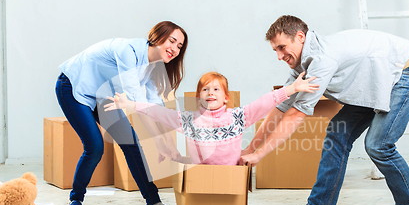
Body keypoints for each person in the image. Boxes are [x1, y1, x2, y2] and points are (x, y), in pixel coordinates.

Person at [240, 15, 409, 205]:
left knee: (378, 145)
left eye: (282, 47)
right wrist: (250, 148)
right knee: (337, 132)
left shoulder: (323, 59)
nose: (279, 56)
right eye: (275, 50)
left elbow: (296, 114)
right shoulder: (301, 65)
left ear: (300, 37)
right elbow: (280, 109)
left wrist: (259, 155)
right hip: (379, 81)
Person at [55, 21, 187, 205]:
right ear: (157, 37)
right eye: (172, 41)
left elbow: (156, 108)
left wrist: (169, 143)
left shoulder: (154, 67)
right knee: (95, 147)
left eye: (180, 46)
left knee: (131, 144)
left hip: (103, 96)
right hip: (74, 88)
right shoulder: (129, 51)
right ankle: (76, 199)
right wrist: (160, 144)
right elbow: (140, 108)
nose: (175, 49)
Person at [104, 71, 319, 165]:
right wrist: (131, 105)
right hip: (201, 174)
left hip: (229, 175)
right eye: (205, 90)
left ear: (226, 98)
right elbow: (159, 113)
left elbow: (265, 102)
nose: (210, 93)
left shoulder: (237, 117)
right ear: (199, 97)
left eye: (216, 89)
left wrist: (291, 88)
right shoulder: (189, 120)